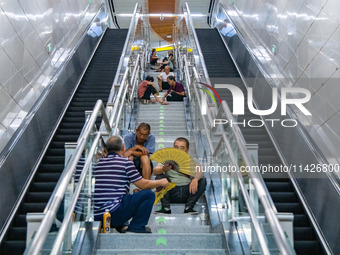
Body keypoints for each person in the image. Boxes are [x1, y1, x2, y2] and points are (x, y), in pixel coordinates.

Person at [93, 135, 169, 233]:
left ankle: (123, 225)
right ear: (123, 147)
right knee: (148, 194)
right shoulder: (125, 162)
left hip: (96, 215)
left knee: (123, 196)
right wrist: (160, 181)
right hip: (114, 214)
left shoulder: (98, 163)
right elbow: (143, 184)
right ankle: (137, 226)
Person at [154, 137, 206, 214]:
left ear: (187, 150)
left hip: (188, 192)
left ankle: (189, 207)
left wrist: (195, 179)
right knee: (159, 177)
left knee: (202, 180)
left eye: (182, 148)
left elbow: (201, 171)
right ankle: (166, 207)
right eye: (176, 147)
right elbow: (155, 171)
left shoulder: (193, 160)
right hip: (171, 192)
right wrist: (163, 169)